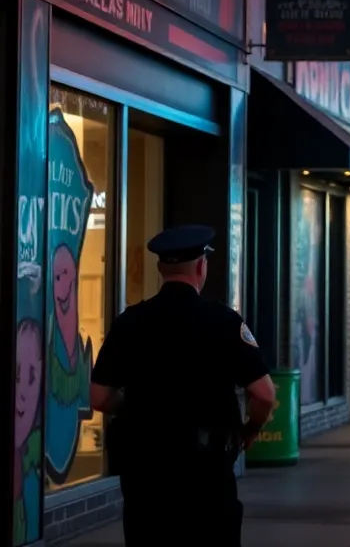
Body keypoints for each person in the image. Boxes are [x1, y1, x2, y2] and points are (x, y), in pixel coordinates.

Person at [88, 225, 276, 546]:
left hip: (146, 476)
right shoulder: (225, 321)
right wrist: (250, 429)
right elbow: (264, 394)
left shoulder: (129, 322)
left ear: (161, 269)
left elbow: (99, 397)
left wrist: (133, 404)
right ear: (202, 267)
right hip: (208, 475)